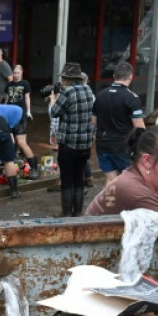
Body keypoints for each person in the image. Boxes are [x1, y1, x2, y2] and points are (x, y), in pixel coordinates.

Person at [48, 63, 96, 216]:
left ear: (67, 78)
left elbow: (54, 112)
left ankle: (66, 212)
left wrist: (53, 98)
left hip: (68, 143)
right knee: (79, 179)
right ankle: (78, 212)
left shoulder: (67, 92)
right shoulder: (88, 90)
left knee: (67, 179)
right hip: (85, 143)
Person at [92, 62, 146, 182]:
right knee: (130, 181)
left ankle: (111, 201)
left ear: (114, 76)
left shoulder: (100, 96)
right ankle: (126, 201)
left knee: (111, 180)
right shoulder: (132, 98)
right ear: (130, 77)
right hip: (122, 146)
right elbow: (139, 127)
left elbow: (93, 122)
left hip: (102, 144)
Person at [3, 64, 38, 179]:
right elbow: (6, 99)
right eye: (14, 73)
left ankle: (34, 167)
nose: (15, 75)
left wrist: (28, 111)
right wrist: (4, 110)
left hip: (20, 114)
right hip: (10, 114)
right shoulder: (9, 85)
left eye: (18, 73)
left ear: (21, 73)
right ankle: (12, 166)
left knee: (21, 142)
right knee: (10, 140)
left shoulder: (25, 84)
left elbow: (27, 97)